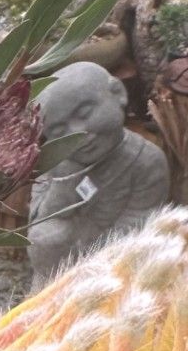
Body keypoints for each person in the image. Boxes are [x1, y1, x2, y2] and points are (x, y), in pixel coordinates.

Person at [28, 63, 170, 284]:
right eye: (58, 131)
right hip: (61, 259)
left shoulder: (146, 160)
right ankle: (48, 292)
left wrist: (87, 255)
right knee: (44, 236)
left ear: (118, 93)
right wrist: (65, 178)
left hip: (113, 252)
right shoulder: (55, 162)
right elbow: (41, 218)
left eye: (84, 113)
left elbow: (139, 223)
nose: (76, 134)